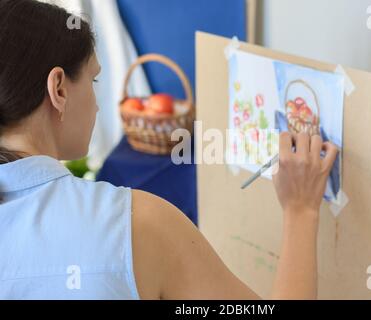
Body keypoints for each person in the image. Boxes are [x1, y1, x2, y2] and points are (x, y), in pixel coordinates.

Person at [0, 0, 338, 300]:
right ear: (58, 88)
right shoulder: (137, 224)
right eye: (94, 80)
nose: (100, 105)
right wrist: (301, 211)